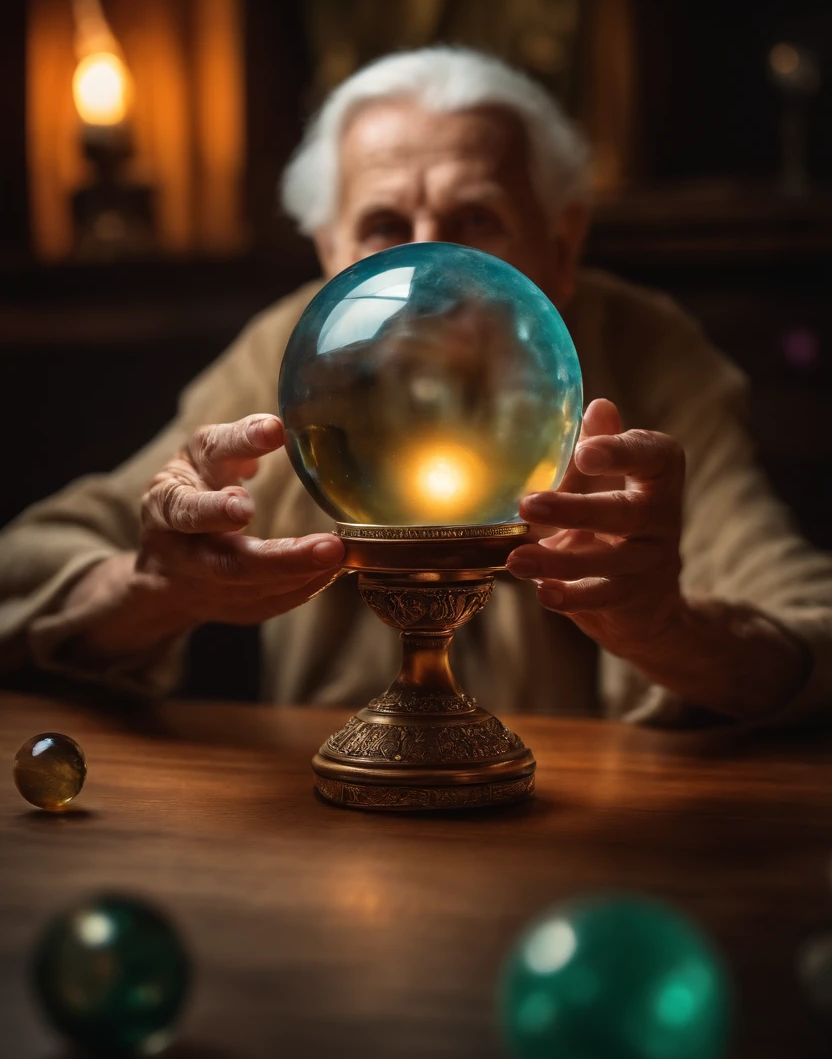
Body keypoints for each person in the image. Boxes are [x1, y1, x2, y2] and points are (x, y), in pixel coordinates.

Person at [2, 47, 831, 727]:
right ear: (328, 252)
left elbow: (807, 627)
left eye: (476, 221)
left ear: (563, 246)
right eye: (385, 229)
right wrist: (149, 588)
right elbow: (28, 566)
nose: (428, 276)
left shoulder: (645, 349)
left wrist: (668, 630)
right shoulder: (290, 354)